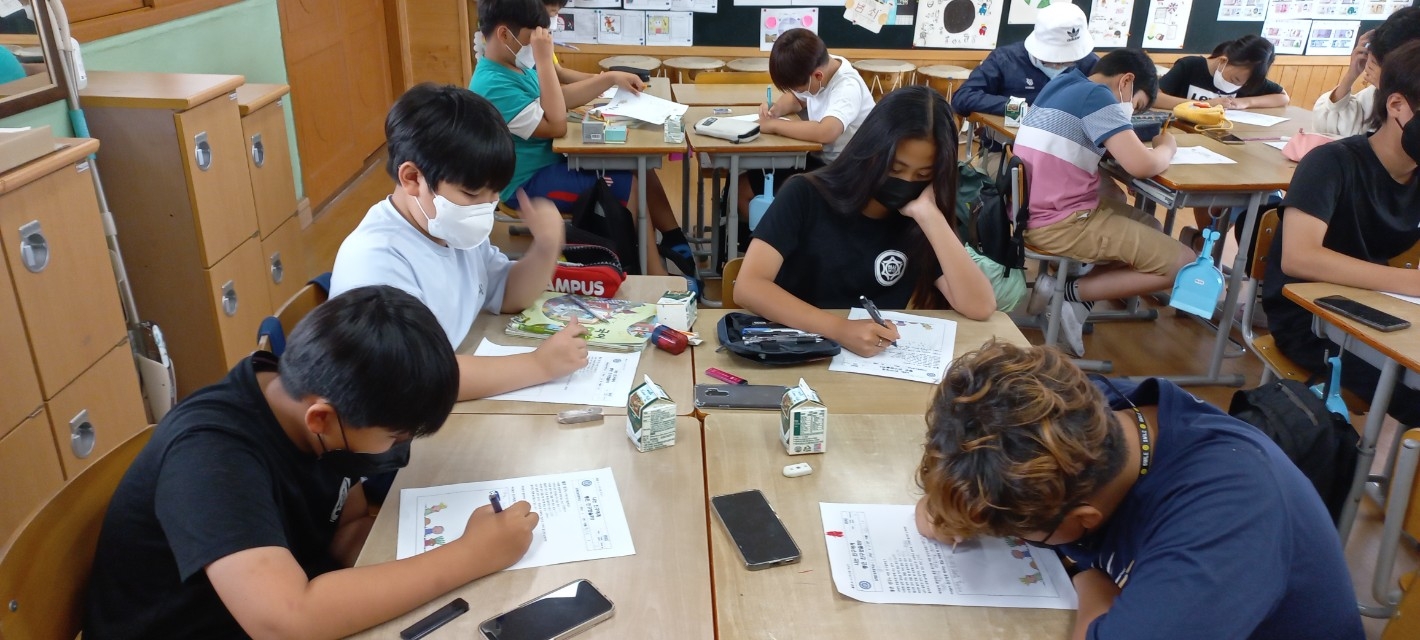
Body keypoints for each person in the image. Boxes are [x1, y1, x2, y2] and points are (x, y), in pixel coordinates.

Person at [84, 285, 542, 639]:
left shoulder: (323, 405)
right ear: (320, 418)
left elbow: (346, 528)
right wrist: (469, 555)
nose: (395, 448)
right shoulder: (210, 457)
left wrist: (446, 550)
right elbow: (286, 622)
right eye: (393, 437)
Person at [914, 341, 1365, 640]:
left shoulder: (1224, 517)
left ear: (1084, 520)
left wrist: (1087, 577)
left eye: (1020, 533)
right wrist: (956, 504)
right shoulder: (1083, 411)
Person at [331, 83, 589, 403]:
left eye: (494, 194)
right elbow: (412, 378)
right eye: (472, 193)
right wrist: (538, 365)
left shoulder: (446, 225)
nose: (486, 207)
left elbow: (506, 293)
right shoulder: (376, 260)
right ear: (412, 178)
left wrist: (546, 247)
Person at [735, 86, 996, 357]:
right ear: (870, 151)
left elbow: (979, 306)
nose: (906, 182)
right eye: (895, 168)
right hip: (799, 349)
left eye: (923, 174)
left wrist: (930, 216)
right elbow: (749, 287)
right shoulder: (805, 194)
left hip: (873, 358)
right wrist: (839, 329)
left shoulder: (920, 218)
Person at [469, 0, 699, 281]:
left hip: (550, 165)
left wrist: (610, 79)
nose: (539, 45)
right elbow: (556, 125)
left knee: (638, 167)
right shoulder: (493, 85)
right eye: (534, 39)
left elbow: (559, 98)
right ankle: (656, 274)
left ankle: (675, 241)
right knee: (629, 185)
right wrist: (544, 60)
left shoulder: (514, 66)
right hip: (526, 184)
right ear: (505, 34)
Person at [1262, 40, 1420, 428]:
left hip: (1379, 308)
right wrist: (1410, 283)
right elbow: (1299, 258)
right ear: (1396, 105)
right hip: (1310, 319)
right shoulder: (1331, 162)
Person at [1014, 48, 1194, 357]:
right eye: (1136, 104)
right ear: (1126, 81)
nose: (1130, 112)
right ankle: (1065, 293)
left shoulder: (1064, 83)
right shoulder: (1098, 96)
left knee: (1149, 224)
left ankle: (1073, 303)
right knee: (1184, 264)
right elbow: (1141, 165)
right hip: (1061, 223)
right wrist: (1167, 147)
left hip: (1036, 212)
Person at [734, 28, 875, 215]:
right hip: (822, 160)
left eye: (798, 87)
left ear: (818, 76)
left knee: (743, 190)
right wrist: (776, 110)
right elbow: (797, 98)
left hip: (845, 173)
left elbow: (826, 131)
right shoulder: (820, 64)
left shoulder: (847, 88)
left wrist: (774, 125)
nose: (797, 91)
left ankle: (762, 233)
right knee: (739, 181)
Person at [952, 2, 1099, 118]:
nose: (1060, 64)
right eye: (1054, 59)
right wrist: (1018, 109)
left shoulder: (1091, 64)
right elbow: (963, 97)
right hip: (1009, 142)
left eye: (1069, 60)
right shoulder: (1005, 59)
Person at [1315, 7, 1420, 136]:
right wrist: (1351, 75)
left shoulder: (1393, 91)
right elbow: (1329, 129)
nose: (1370, 70)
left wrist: (1387, 87)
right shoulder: (1374, 92)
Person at [1155, 35, 1288, 110]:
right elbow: (1154, 97)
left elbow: (1283, 97)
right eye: (1235, 80)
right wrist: (1203, 105)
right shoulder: (1190, 66)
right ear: (1223, 61)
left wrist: (1246, 102)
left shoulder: (1248, 77)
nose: (1236, 86)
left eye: (1243, 84)